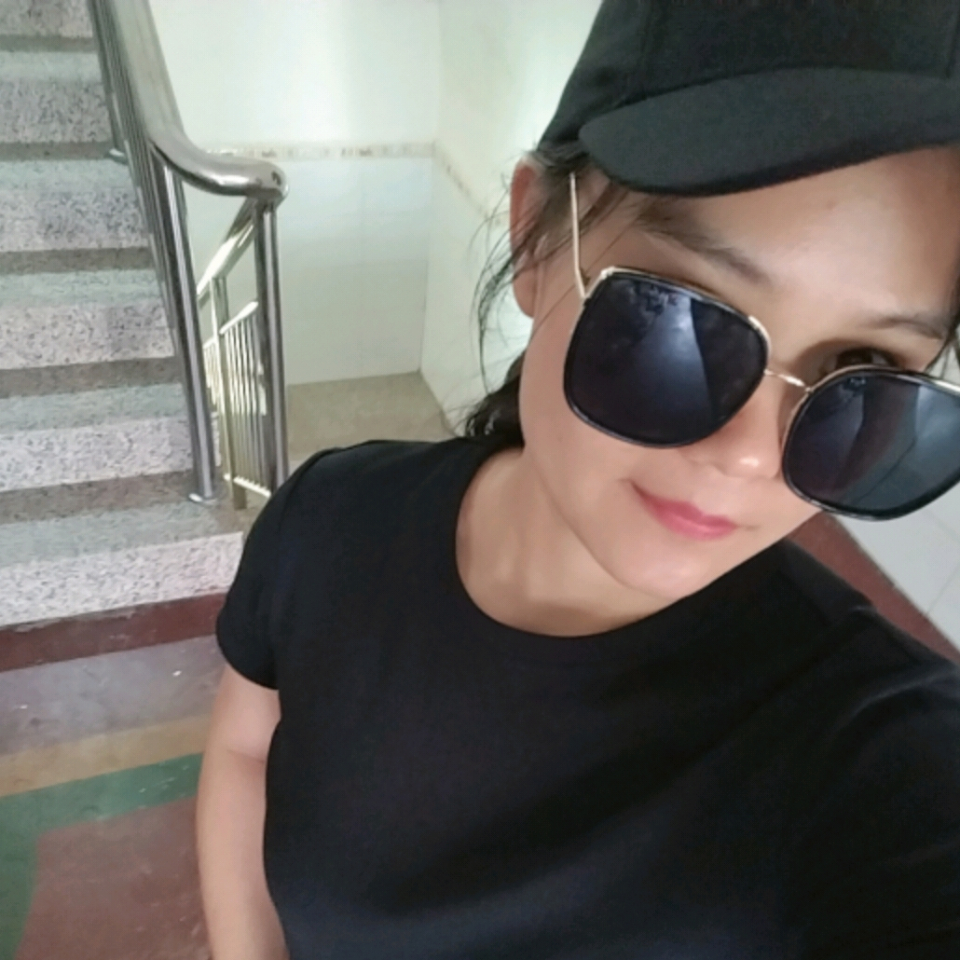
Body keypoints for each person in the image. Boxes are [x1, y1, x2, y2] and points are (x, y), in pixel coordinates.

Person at [196, 2, 960, 958]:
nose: (751, 456)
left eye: (863, 373)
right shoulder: (328, 518)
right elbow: (244, 750)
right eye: (681, 317)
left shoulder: (881, 758)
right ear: (533, 239)